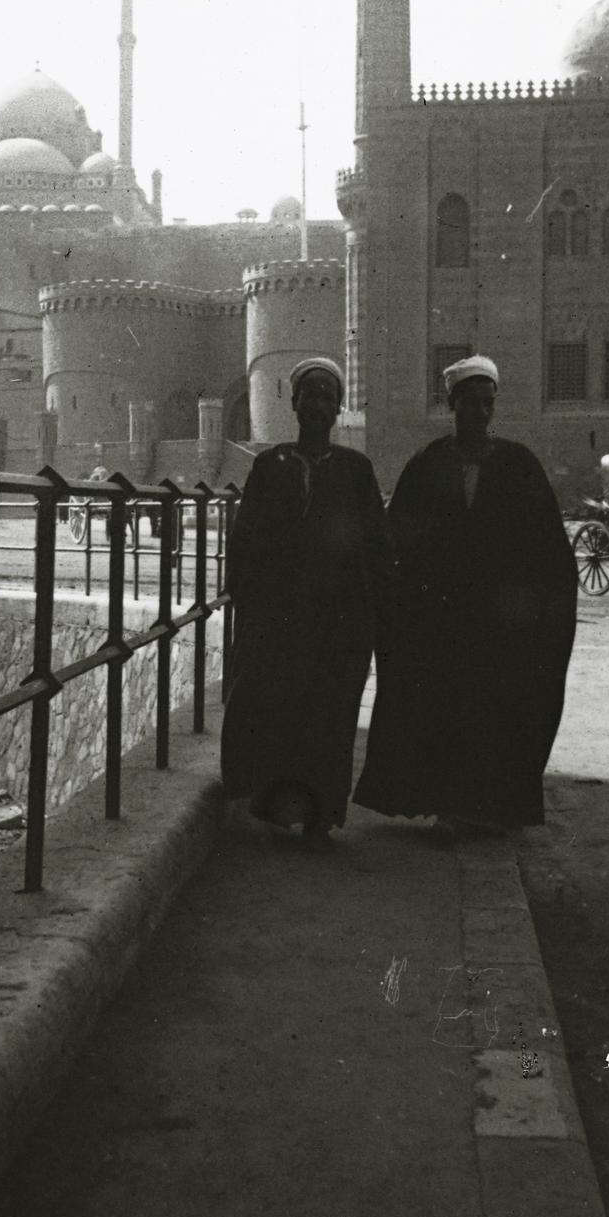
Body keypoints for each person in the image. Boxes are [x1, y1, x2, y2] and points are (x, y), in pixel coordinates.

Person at [353, 355, 578, 838]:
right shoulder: (427, 464)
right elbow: (397, 543)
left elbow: (549, 551)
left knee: (494, 715)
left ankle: (487, 807)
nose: (478, 412)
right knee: (446, 712)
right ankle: (450, 807)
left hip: (501, 625)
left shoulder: (520, 466)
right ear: (451, 404)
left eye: (487, 403)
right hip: (442, 624)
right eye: (469, 403)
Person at [220, 357, 395, 852]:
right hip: (280, 621)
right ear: (294, 402)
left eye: (326, 397)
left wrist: (377, 614)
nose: (317, 406)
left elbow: (377, 548)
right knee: (278, 712)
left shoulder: (355, 471)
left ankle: (321, 819)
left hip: (338, 626)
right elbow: (246, 542)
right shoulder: (268, 466)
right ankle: (274, 812)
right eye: (309, 396)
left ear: (338, 408)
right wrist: (251, 606)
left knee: (329, 720)